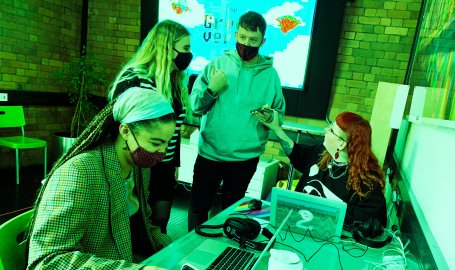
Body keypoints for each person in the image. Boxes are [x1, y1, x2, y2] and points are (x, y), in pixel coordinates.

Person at [27, 88, 176, 269]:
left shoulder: (139, 168)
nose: (162, 152)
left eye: (167, 142)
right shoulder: (79, 172)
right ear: (125, 131)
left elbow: (144, 225)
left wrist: (179, 252)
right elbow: (48, 261)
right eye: (155, 143)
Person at [188, 11, 286, 230]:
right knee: (198, 208)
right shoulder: (217, 64)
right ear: (235, 34)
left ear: (263, 41)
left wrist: (270, 117)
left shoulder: (271, 75)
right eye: (242, 38)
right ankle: (191, 254)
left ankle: (222, 258)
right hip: (210, 154)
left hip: (245, 158)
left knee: (232, 211)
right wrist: (212, 90)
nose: (246, 44)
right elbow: (195, 106)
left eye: (253, 40)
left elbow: (280, 113)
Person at [108, 20, 193, 234]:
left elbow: (172, 133)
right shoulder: (135, 78)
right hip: (138, 163)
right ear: (166, 47)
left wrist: (174, 164)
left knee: (160, 222)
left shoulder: (175, 81)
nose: (189, 54)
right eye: (185, 48)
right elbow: (118, 129)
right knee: (133, 224)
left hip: (164, 165)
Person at [257, 110, 387, 226]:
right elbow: (297, 153)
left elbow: (371, 221)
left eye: (331, 130)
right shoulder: (321, 153)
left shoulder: (367, 181)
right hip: (296, 225)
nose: (326, 129)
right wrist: (276, 128)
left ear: (341, 144)